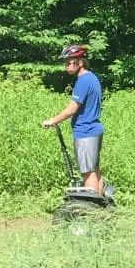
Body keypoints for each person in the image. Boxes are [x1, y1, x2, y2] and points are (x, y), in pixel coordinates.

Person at [42, 45, 105, 195]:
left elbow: (72, 108)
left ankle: (92, 211)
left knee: (87, 172)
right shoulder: (92, 77)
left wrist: (53, 120)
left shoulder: (83, 80)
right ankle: (102, 208)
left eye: (70, 62)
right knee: (94, 170)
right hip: (94, 130)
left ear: (80, 62)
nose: (66, 66)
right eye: (66, 63)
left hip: (85, 132)